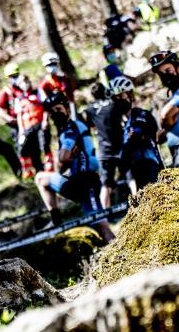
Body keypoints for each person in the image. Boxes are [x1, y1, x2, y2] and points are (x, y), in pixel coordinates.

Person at [34, 92, 115, 242]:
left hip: (87, 180)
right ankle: (56, 221)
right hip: (76, 181)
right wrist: (66, 159)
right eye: (51, 112)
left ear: (67, 108)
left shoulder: (70, 127)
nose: (55, 114)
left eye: (58, 109)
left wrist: (65, 158)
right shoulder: (66, 128)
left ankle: (119, 251)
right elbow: (61, 166)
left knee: (101, 225)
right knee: (41, 179)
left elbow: (63, 158)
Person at [110, 76, 164, 192]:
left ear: (130, 95)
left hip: (151, 167)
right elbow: (121, 160)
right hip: (136, 173)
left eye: (121, 96)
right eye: (116, 98)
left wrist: (130, 141)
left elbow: (138, 135)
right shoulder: (119, 125)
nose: (119, 100)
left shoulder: (141, 114)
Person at [83, 80, 127, 207]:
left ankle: (105, 215)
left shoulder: (90, 110)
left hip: (104, 150)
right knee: (131, 178)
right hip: (120, 147)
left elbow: (90, 126)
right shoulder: (114, 104)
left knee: (105, 185)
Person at [12, 74, 47, 179]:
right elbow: (19, 116)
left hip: (40, 124)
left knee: (43, 146)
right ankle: (33, 171)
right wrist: (21, 131)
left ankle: (48, 168)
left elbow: (45, 106)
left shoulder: (37, 92)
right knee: (27, 149)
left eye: (25, 81)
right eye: (21, 82)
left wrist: (45, 120)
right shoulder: (19, 99)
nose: (24, 84)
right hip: (27, 127)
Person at [0, 61, 23, 143]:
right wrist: (9, 118)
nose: (14, 78)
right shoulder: (6, 92)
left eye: (16, 75)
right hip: (16, 125)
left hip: (28, 122)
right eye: (12, 76)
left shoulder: (23, 88)